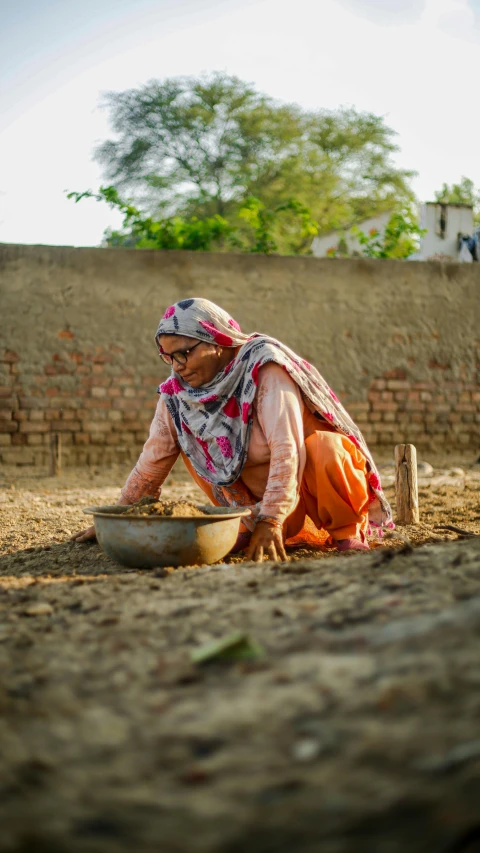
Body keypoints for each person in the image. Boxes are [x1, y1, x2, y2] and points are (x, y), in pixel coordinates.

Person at [72, 298, 392, 561]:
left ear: (218, 341)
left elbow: (287, 450)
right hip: (250, 498)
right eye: (168, 357)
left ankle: (347, 533)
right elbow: (152, 462)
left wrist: (271, 520)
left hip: (304, 489)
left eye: (185, 352)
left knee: (325, 447)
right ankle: (243, 523)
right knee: (188, 444)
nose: (177, 365)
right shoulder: (177, 395)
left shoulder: (264, 369)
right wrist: (116, 519)